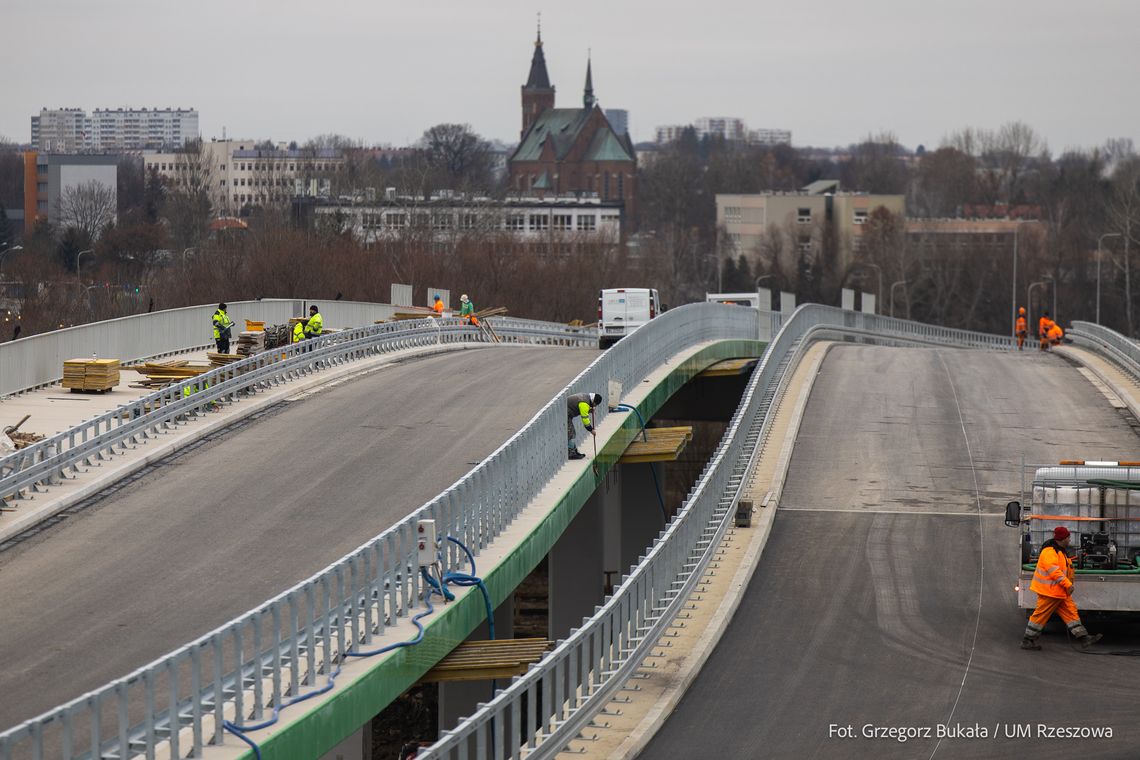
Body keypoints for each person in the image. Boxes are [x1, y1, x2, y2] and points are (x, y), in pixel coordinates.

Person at [1021, 526, 1102, 650]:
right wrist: (1067, 584)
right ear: (1062, 538)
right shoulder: (1049, 552)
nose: (1069, 540)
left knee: (1071, 612)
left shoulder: (1059, 551)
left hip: (1059, 592)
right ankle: (1027, 640)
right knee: (1040, 616)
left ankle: (1083, 638)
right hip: (1050, 592)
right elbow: (1055, 572)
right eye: (1068, 537)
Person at [567, 392, 602, 460]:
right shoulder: (584, 403)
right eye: (595, 404)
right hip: (565, 414)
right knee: (571, 433)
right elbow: (585, 420)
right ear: (594, 402)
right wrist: (591, 430)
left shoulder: (586, 397)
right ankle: (571, 453)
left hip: (567, 413)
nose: (595, 406)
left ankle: (574, 451)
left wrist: (589, 410)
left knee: (572, 433)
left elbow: (583, 409)